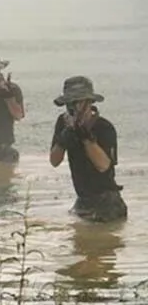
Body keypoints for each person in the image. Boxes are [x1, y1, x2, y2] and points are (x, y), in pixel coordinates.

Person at [50, 76, 127, 222]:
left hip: (107, 202)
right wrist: (63, 138)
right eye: (70, 103)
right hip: (83, 201)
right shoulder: (63, 122)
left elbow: (104, 165)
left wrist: (85, 137)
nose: (74, 107)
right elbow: (54, 161)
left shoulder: (104, 127)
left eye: (78, 102)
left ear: (89, 102)